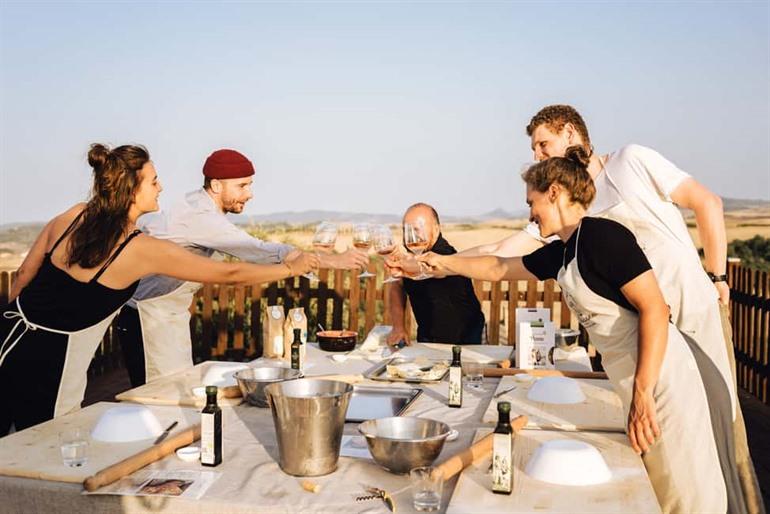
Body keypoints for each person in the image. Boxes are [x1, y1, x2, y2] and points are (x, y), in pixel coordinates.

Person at [390, 104, 763, 514]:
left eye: (531, 202)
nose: (529, 213)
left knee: (690, 494)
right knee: (662, 491)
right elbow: (496, 265)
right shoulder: (563, 250)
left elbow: (655, 309)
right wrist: (434, 263)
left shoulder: (605, 233)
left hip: (662, 376)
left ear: (554, 191)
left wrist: (643, 392)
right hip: (635, 376)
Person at [0, 144, 317, 435]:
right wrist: (290, 268)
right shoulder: (139, 248)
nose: (161, 187)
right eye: (153, 181)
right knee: (43, 445)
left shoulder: (74, 214)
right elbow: (229, 273)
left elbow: (24, 275)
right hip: (54, 366)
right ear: (131, 189)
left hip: (8, 338)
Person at [117, 149, 368, 387]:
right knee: (158, 401)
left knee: (174, 395)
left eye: (249, 185)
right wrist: (331, 261)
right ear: (216, 185)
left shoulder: (198, 205)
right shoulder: (200, 217)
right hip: (147, 319)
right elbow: (255, 251)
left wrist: (305, 257)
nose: (249, 194)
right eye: (242, 186)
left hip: (165, 318)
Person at [387, 203, 485, 347]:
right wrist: (398, 327)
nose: (411, 236)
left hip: (467, 338)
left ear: (436, 229)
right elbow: (397, 286)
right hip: (428, 337)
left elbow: (435, 270)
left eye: (416, 229)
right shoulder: (411, 256)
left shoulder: (446, 254)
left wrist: (406, 265)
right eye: (406, 230)